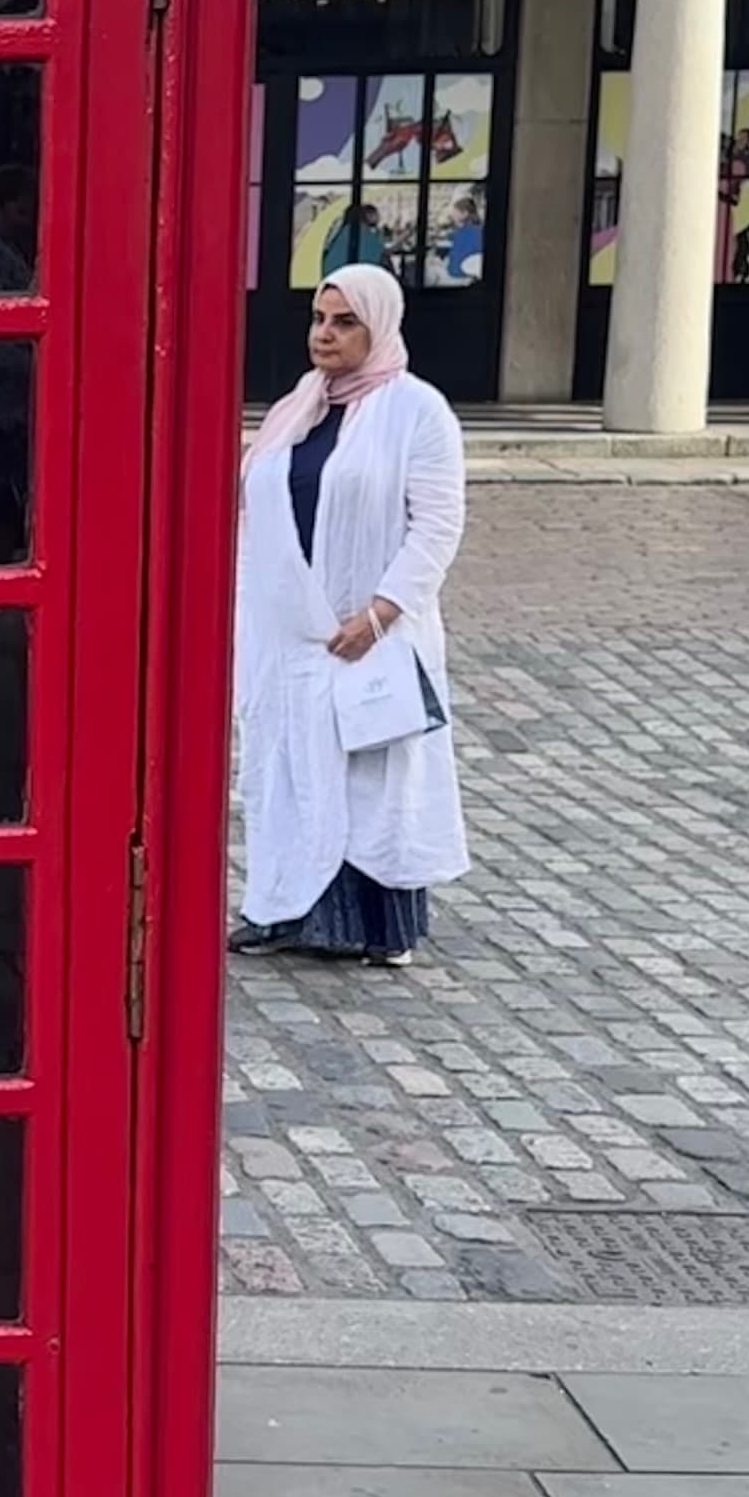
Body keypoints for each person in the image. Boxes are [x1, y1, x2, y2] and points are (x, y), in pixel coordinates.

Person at [230, 263, 469, 971]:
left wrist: (381, 612)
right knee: (289, 768)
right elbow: (256, 516)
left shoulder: (417, 411)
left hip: (372, 633)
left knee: (371, 776)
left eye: (344, 322)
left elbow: (437, 526)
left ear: (380, 326)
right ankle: (285, 910)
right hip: (292, 634)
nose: (324, 335)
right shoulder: (296, 409)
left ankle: (375, 924)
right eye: (318, 319)